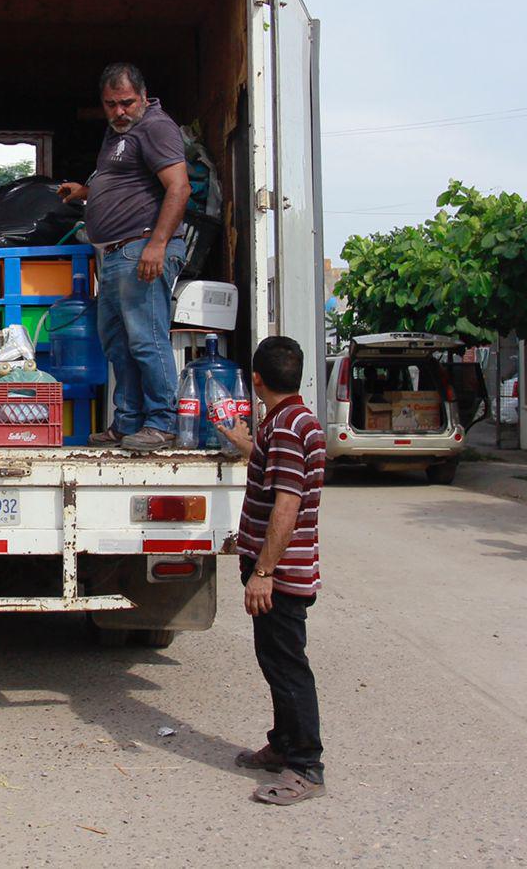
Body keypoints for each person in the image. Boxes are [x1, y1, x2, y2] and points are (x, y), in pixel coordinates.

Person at [215, 336, 327, 805]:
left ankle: (306, 766)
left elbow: (287, 502)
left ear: (256, 380)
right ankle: (283, 745)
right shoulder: (288, 421)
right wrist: (237, 436)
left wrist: (264, 572)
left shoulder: (285, 429)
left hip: (280, 575)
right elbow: (268, 464)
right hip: (283, 571)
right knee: (275, 661)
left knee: (287, 667)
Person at [56, 63, 191, 451]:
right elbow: (125, 182)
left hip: (142, 249)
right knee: (117, 343)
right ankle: (128, 423)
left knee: (146, 339)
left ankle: (163, 423)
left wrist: (157, 244)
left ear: (144, 97)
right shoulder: (119, 133)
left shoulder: (156, 126)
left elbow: (178, 188)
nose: (119, 111)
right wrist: (85, 193)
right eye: (111, 104)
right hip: (115, 254)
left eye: (127, 103)